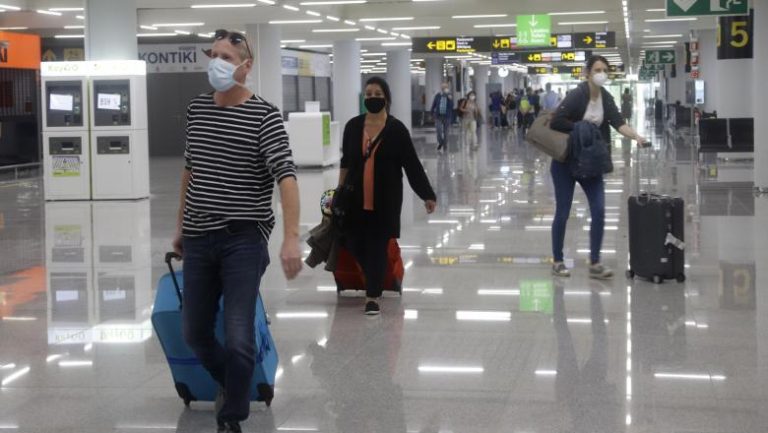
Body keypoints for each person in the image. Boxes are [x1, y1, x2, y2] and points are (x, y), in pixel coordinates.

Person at [172, 29, 303, 433]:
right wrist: (180, 226)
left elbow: (286, 177)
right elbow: (190, 170)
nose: (216, 62)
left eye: (226, 57)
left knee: (239, 336)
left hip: (242, 239)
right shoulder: (197, 108)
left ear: (246, 67)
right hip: (198, 236)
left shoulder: (264, 115)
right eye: (213, 54)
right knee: (194, 331)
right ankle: (232, 384)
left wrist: (291, 236)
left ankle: (231, 417)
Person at [339, 76, 437, 315]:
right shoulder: (353, 126)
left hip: (385, 201)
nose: (372, 98)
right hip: (354, 199)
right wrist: (338, 192)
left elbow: (411, 165)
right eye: (368, 94)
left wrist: (427, 194)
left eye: (377, 94)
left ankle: (372, 296)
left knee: (377, 246)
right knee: (353, 242)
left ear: (386, 98)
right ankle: (373, 277)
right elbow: (346, 162)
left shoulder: (396, 130)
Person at [549, 55, 647, 280]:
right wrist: (581, 128)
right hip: (565, 162)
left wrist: (636, 136)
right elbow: (556, 121)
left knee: (599, 210)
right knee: (563, 211)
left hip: (591, 162)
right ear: (588, 73)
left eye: (605, 70)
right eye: (597, 70)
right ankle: (558, 260)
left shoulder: (606, 97)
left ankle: (595, 263)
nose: (601, 73)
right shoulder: (577, 95)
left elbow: (618, 123)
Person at [430, 82, 453, 152]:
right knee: (438, 130)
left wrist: (450, 99)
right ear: (441, 88)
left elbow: (452, 106)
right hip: (438, 116)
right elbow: (434, 104)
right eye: (443, 87)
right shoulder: (438, 95)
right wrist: (431, 113)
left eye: (446, 87)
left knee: (446, 132)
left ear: (447, 88)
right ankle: (441, 142)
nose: (444, 88)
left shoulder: (449, 95)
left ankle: (445, 145)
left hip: (447, 117)